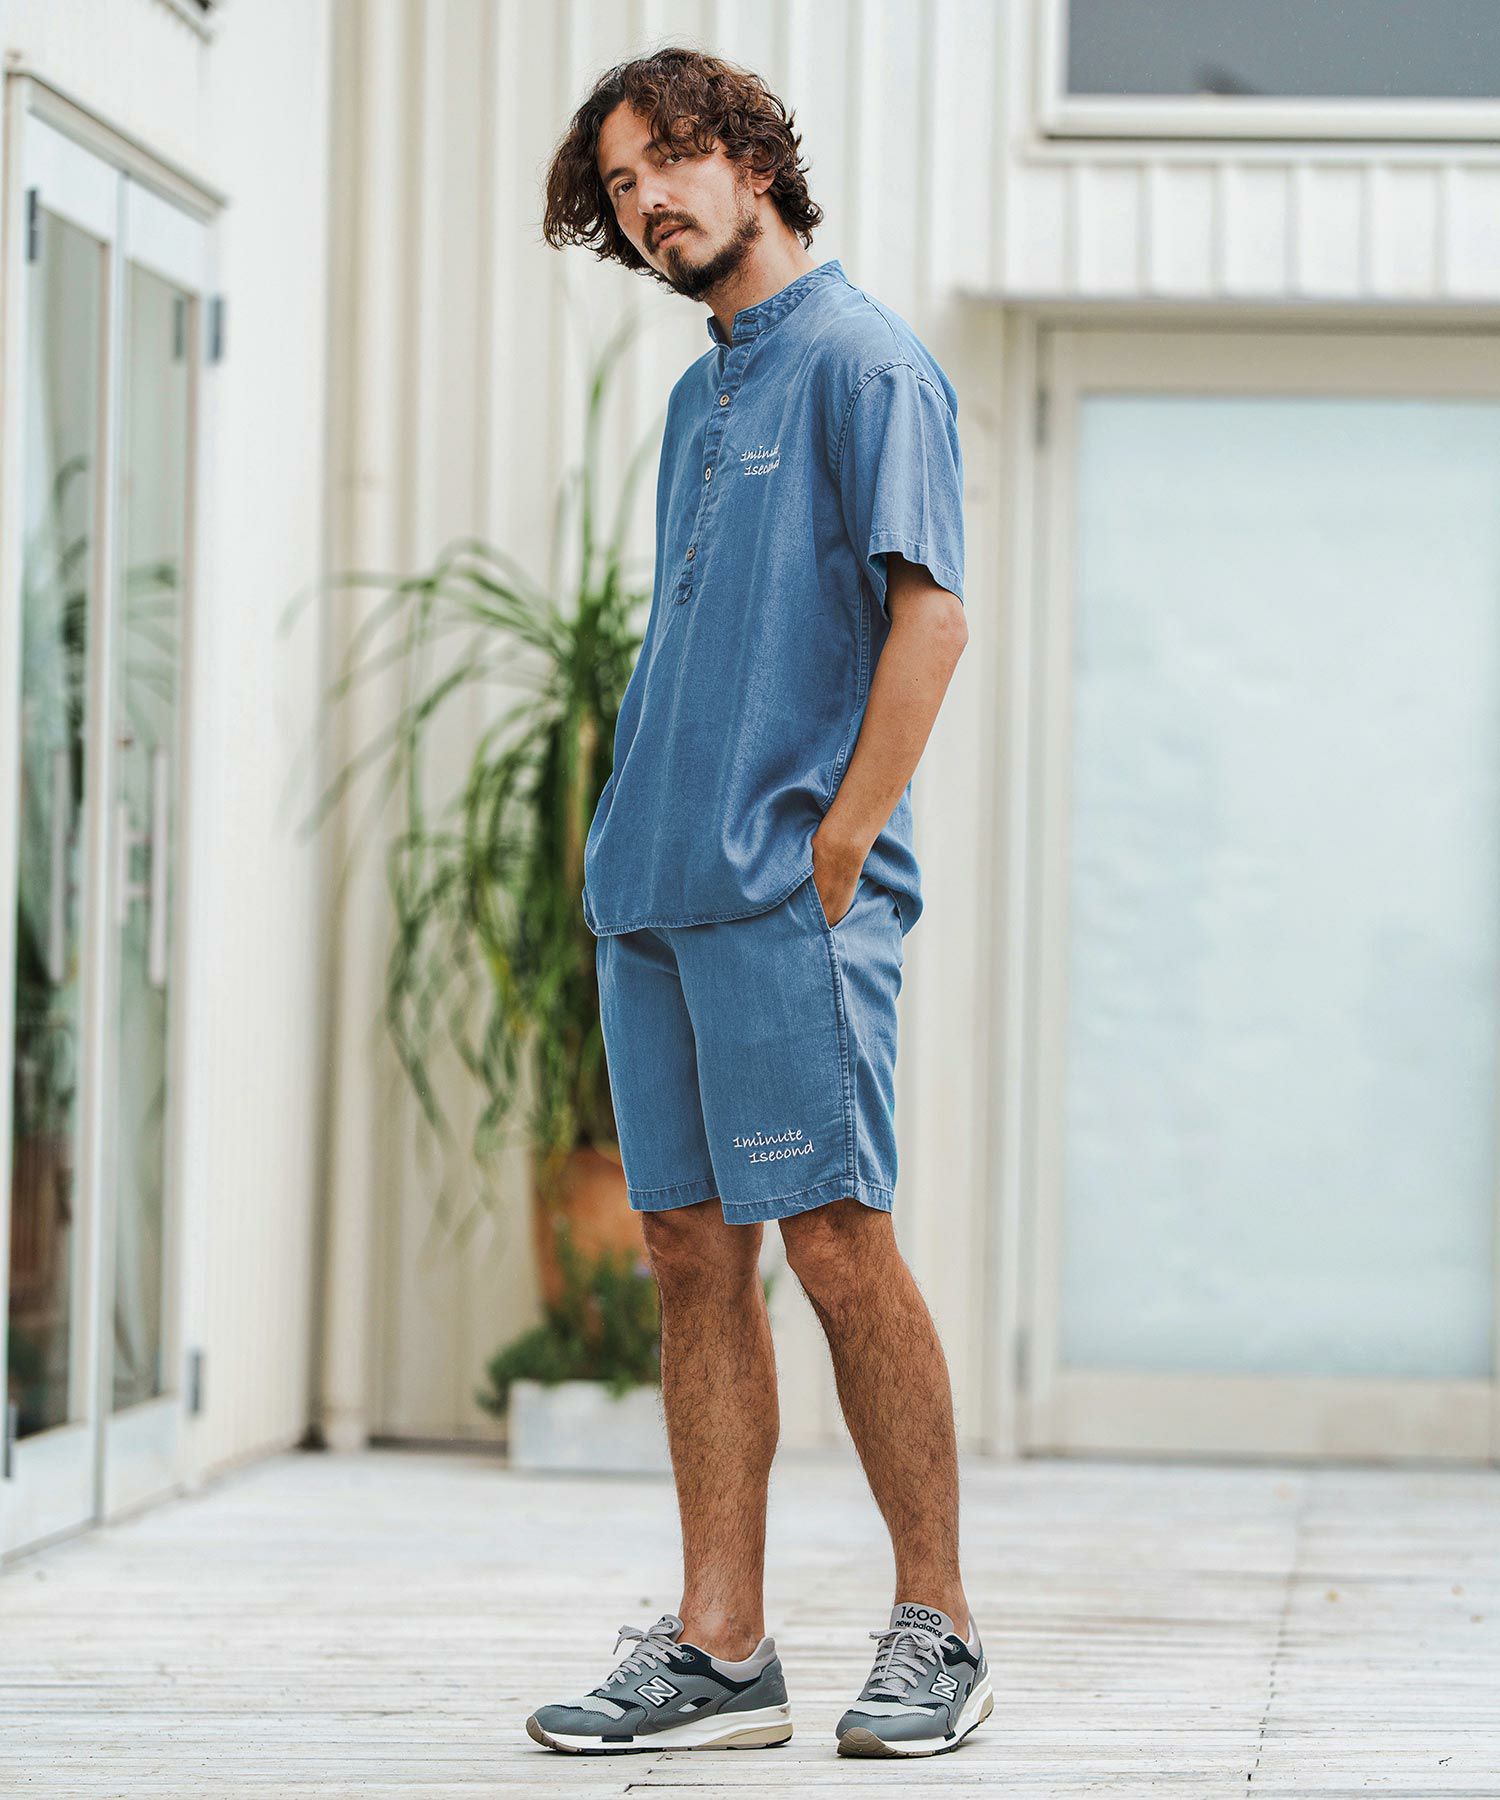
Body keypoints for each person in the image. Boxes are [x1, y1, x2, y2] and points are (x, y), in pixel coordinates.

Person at [530, 46, 986, 1760]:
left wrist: (843, 843)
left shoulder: (868, 364)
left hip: (791, 896)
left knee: (838, 1241)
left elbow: (931, 617)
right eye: (621, 187)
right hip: (655, 892)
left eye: (670, 160)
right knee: (686, 1255)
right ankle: (721, 1648)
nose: (650, 202)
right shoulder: (694, 398)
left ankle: (939, 1626)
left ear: (752, 158)